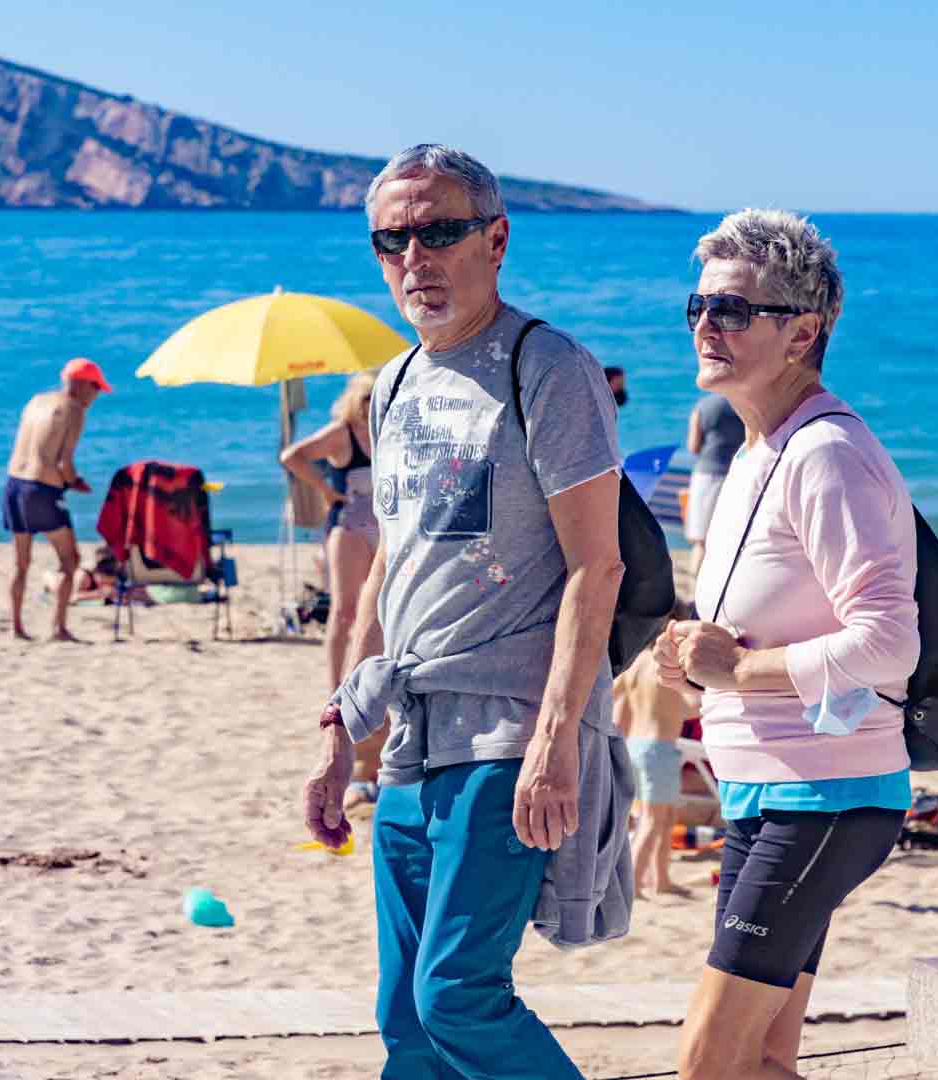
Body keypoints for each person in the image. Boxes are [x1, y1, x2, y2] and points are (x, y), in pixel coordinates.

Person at [298, 144, 627, 1080]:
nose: (416, 258)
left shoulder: (547, 367)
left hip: (507, 732)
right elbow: (386, 579)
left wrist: (558, 738)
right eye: (393, 240)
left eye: (440, 231)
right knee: (404, 1018)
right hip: (409, 737)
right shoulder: (395, 384)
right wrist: (339, 729)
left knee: (460, 995)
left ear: (496, 239)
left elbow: (595, 568)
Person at [653, 210, 919, 1080]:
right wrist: (698, 660)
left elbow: (888, 642)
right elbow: (775, 625)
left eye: (732, 311)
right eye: (699, 305)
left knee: (708, 1061)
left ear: (803, 332)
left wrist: (735, 668)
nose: (705, 325)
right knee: (764, 1061)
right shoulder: (759, 451)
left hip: (826, 795)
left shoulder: (826, 454)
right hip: (768, 792)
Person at [279, 374, 388, 806]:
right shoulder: (344, 434)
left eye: (373, 397)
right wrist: (325, 491)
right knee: (345, 611)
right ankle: (334, 688)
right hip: (348, 526)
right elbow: (294, 456)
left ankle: (371, 681)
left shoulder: (390, 429)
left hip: (382, 525)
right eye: (363, 397)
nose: (368, 404)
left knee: (377, 611)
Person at [3, 357, 111, 642]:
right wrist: (76, 483)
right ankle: (58, 628)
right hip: (42, 491)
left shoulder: (36, 400)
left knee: (21, 563)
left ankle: (16, 627)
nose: (96, 396)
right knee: (69, 560)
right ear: (84, 385)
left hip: (14, 485)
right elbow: (63, 463)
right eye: (96, 388)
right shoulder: (74, 409)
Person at [613, 649, 693, 898]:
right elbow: (687, 707)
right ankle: (634, 884)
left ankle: (661, 880)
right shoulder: (668, 662)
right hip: (659, 747)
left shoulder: (634, 663)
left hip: (636, 744)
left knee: (666, 816)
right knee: (652, 819)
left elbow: (615, 702)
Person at [684, 393, 746, 578]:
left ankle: (695, 588)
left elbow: (693, 446)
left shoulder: (703, 406)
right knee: (729, 539)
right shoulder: (744, 403)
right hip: (737, 473)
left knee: (701, 541)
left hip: (706, 475)